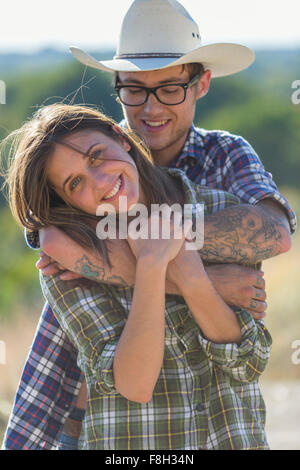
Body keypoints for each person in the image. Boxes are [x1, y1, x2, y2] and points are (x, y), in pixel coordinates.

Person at [2, 0, 295, 450]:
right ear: (118, 87)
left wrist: (154, 248)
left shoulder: (224, 157)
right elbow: (54, 240)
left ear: (202, 84)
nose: (151, 108)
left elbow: (275, 232)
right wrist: (209, 278)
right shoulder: (84, 153)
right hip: (90, 391)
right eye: (135, 89)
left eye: (170, 89)